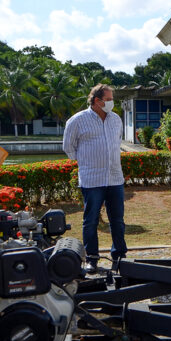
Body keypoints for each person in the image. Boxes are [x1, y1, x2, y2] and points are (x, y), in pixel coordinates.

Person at [63, 84, 127, 273]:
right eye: (108, 99)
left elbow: (117, 142)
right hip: (92, 179)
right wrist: (87, 162)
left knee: (118, 220)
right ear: (97, 101)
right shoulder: (77, 120)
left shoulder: (116, 119)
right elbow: (69, 148)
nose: (111, 103)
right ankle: (91, 258)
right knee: (90, 220)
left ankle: (120, 257)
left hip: (115, 178)